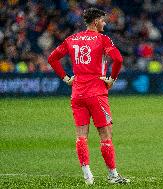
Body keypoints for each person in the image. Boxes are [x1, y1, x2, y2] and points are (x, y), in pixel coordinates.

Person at [47, 7, 130, 185]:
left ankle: (87, 176)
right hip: (97, 92)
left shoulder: (72, 39)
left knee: (81, 135)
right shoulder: (102, 39)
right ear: (95, 22)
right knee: (105, 135)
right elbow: (119, 59)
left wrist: (66, 78)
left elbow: (52, 58)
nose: (105, 23)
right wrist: (112, 80)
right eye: (103, 20)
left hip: (77, 93)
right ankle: (112, 175)